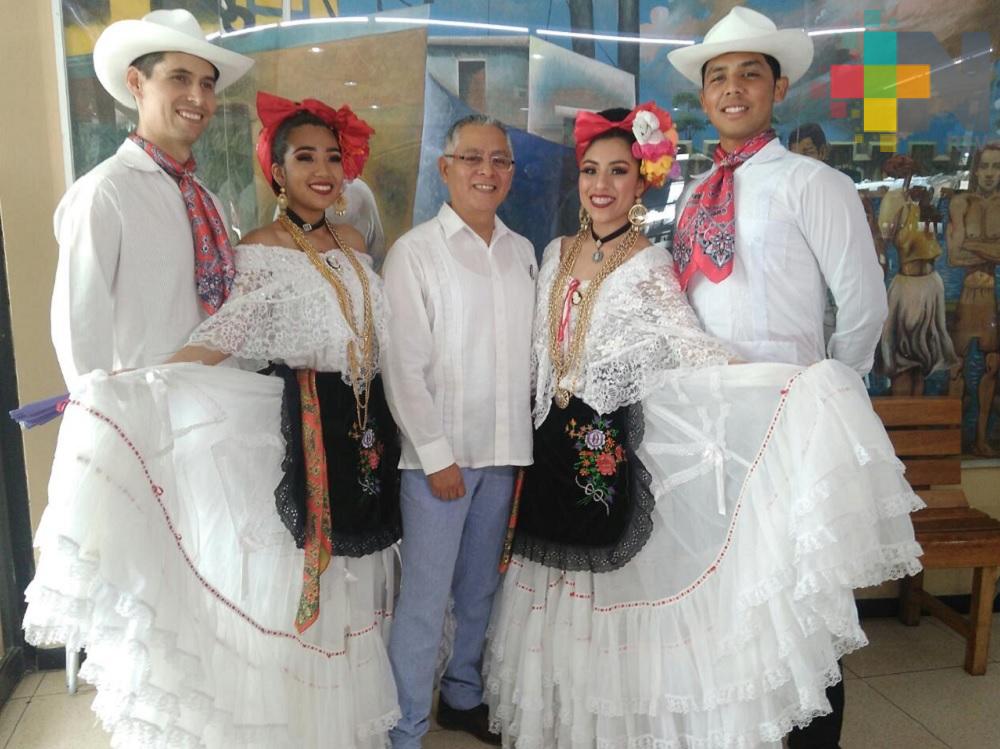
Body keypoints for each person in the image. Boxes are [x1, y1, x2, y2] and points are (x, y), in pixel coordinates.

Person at [484, 104, 922, 749]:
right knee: (554, 592)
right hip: (550, 452)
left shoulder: (650, 264)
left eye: (617, 171)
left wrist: (790, 390)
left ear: (642, 183)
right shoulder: (552, 253)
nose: (600, 184)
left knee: (610, 590)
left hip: (607, 453)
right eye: (588, 171)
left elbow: (691, 350)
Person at [24, 91, 402, 748]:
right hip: (303, 430)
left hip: (361, 435)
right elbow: (228, 331)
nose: (322, 169)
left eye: (333, 157)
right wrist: (146, 379)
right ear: (277, 172)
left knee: (349, 592)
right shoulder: (260, 246)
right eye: (304, 156)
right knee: (293, 599)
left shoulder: (354, 241)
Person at [667, 8, 889, 747]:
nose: (733, 89)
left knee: (800, 599)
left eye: (749, 74)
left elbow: (863, 303)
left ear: (779, 87)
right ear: (704, 97)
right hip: (709, 433)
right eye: (718, 77)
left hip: (790, 423)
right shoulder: (694, 196)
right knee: (729, 596)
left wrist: (828, 399)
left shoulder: (812, 182)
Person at [381, 114, 537, 748]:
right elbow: (403, 368)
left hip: (504, 456)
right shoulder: (414, 252)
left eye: (499, 160)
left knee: (480, 590)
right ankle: (406, 726)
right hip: (436, 464)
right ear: (444, 168)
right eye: (472, 158)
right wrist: (436, 454)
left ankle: (463, 695)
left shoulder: (523, 251)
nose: (486, 171)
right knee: (423, 602)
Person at [49, 9, 253, 385]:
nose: (198, 97)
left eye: (207, 84)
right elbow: (78, 332)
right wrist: (108, 421)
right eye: (180, 78)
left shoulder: (208, 201)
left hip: (225, 415)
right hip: (149, 425)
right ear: (136, 82)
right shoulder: (105, 192)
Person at [946, 143, 1000, 455]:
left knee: (992, 366)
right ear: (975, 169)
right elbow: (954, 256)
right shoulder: (961, 202)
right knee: (957, 368)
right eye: (985, 166)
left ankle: (980, 438)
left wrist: (973, 243)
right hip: (969, 297)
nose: (990, 174)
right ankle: (952, 437)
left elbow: (965, 248)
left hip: (990, 299)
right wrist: (989, 249)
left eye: (996, 167)